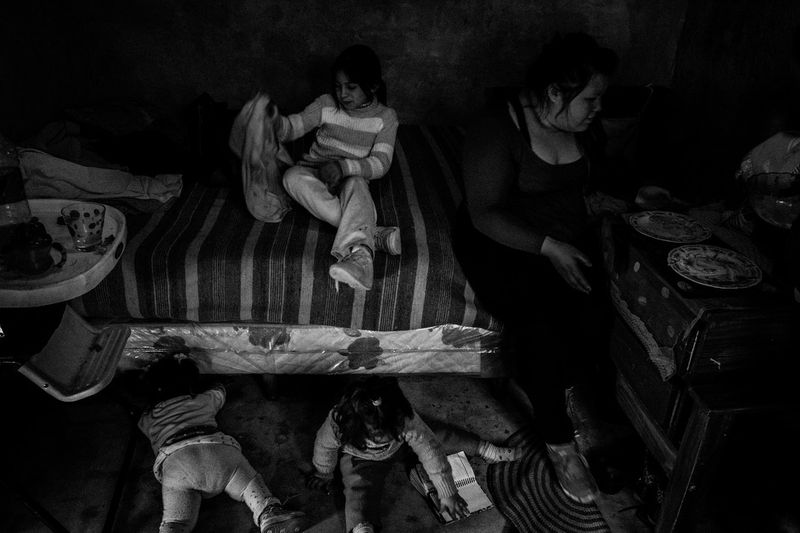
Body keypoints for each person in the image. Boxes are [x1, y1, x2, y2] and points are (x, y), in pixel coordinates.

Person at [453, 32, 621, 504]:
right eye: (589, 99)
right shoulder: (497, 128)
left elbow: (590, 180)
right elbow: (485, 212)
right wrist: (549, 248)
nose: (598, 108)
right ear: (554, 92)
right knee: (538, 323)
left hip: (559, 233)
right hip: (500, 238)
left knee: (595, 305)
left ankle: (579, 398)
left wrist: (615, 202)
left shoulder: (584, 125)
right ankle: (559, 443)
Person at [305, 376, 524, 533]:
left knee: (439, 436)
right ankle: (362, 526)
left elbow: (431, 451)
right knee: (357, 490)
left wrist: (447, 492)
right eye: (377, 435)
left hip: (402, 445)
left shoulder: (404, 418)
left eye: (388, 432)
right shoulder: (338, 422)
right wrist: (323, 473)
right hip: (362, 460)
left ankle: (485, 449)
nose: (382, 439)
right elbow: (324, 448)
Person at [276, 44, 401, 291]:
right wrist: (274, 124)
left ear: (372, 86)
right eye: (337, 86)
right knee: (290, 177)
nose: (342, 94)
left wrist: (343, 168)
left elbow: (381, 163)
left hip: (350, 179)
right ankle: (373, 234)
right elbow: (295, 126)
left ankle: (361, 260)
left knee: (357, 184)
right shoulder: (325, 104)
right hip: (314, 174)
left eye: (351, 87)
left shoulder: (385, 118)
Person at [137, 356, 306, 533]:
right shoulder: (202, 399)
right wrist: (216, 384)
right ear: (192, 384)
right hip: (216, 451)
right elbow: (219, 392)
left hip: (177, 466)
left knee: (176, 520)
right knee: (249, 484)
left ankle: (173, 530)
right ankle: (269, 513)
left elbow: (142, 425)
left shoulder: (149, 417)